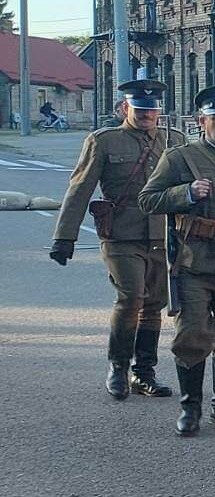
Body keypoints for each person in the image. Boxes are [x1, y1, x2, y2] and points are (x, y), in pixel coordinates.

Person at [49, 80, 180, 400]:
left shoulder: (174, 140)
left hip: (162, 234)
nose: (147, 115)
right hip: (121, 234)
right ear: (125, 108)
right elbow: (80, 188)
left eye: (152, 110)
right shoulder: (105, 141)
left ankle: (143, 373)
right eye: (140, 109)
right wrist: (65, 236)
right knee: (131, 298)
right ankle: (119, 367)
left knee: (154, 304)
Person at [138, 85, 215, 437]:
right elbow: (148, 199)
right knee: (192, 334)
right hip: (194, 261)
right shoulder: (180, 158)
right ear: (201, 121)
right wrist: (185, 194)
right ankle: (191, 407)